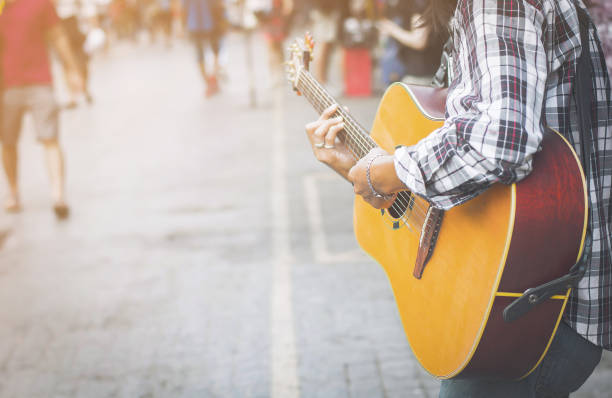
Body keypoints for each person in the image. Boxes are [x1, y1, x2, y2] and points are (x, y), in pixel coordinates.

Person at [305, 0, 611, 396]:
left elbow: (500, 141)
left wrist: (389, 171)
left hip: (536, 308)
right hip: (524, 291)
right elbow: (468, 140)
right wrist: (372, 169)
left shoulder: (498, 5)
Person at [0, 0, 84, 218]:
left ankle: (58, 195)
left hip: (40, 81)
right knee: (8, 142)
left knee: (50, 138)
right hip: (6, 85)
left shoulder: (40, 3)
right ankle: (14, 191)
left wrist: (73, 69)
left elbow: (57, 36)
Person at [377, 0, 446, 85]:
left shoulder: (419, 4)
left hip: (420, 76)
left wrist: (392, 29)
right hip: (415, 73)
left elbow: (419, 41)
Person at [183, 0, 226, 97]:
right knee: (211, 53)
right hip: (208, 23)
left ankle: (210, 81)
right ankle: (211, 81)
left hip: (201, 24)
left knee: (205, 54)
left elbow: (183, 7)